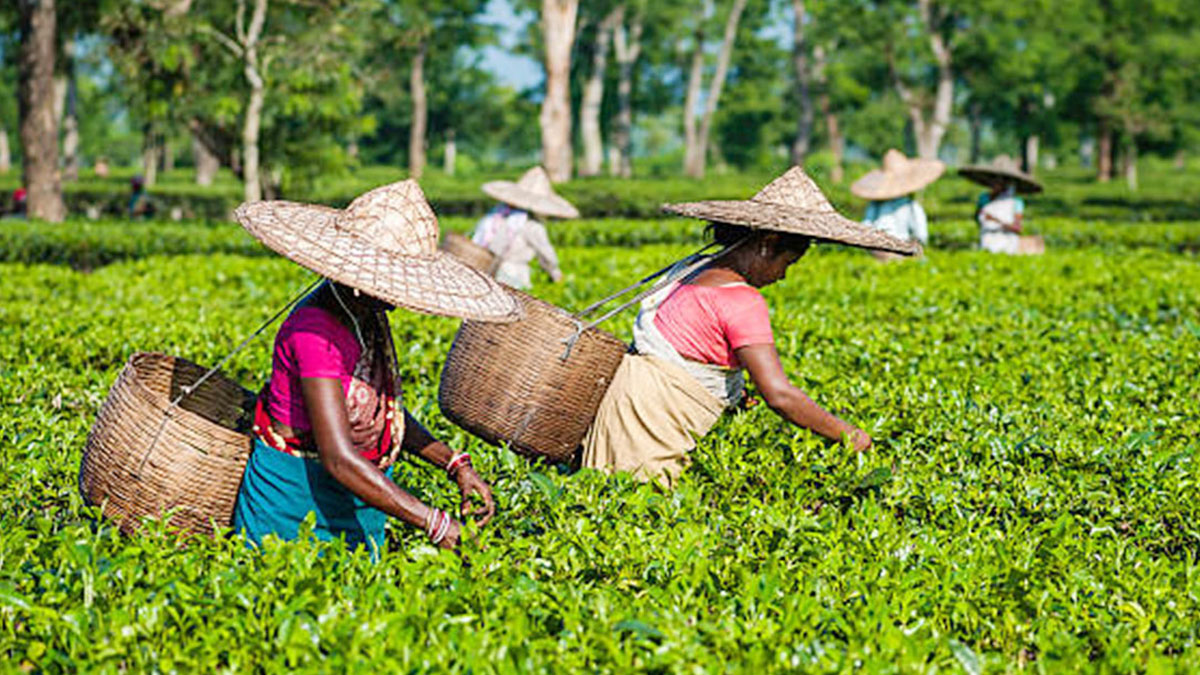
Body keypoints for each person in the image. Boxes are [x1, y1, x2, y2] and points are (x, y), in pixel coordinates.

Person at [581, 167, 920, 488]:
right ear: (767, 244)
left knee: (610, 498)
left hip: (623, 411)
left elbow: (690, 353)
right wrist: (853, 437)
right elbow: (780, 396)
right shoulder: (743, 300)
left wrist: (731, 390)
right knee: (644, 506)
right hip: (653, 428)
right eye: (787, 263)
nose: (783, 275)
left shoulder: (693, 268)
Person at [231, 180, 522, 553]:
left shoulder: (363, 313)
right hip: (293, 510)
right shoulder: (316, 331)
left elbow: (385, 411)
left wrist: (455, 463)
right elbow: (338, 458)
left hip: (357, 500)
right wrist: (434, 522)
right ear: (356, 278)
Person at [472, 166, 579, 289]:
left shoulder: (498, 216)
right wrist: (556, 274)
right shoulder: (532, 226)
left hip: (487, 270)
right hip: (514, 275)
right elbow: (546, 255)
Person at [850, 148, 945, 260]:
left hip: (878, 252)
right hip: (902, 251)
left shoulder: (875, 204)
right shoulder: (910, 205)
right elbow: (921, 234)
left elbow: (865, 227)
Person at [959, 155, 1044, 255]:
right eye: (994, 179)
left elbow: (1017, 228)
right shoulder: (984, 198)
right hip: (986, 241)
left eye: (1001, 181)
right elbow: (977, 218)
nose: (996, 183)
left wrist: (995, 220)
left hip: (1007, 244)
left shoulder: (1016, 202)